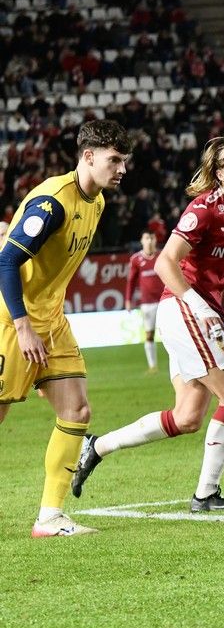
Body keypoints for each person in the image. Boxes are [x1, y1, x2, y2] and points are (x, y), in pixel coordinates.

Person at [73, 137, 224, 511]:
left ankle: (97, 446)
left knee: (188, 416)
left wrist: (223, 307)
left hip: (203, 312)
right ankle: (206, 495)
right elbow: (165, 263)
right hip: (183, 308)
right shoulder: (203, 209)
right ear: (218, 174)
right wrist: (200, 306)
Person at [0, 119, 132, 537]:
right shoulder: (52, 202)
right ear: (88, 157)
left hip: (51, 322)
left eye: (124, 161)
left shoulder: (96, 203)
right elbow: (6, 261)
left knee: (77, 411)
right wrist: (22, 326)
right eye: (114, 160)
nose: (122, 169)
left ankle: (49, 517)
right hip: (10, 319)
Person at [125, 230, 165, 372]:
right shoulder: (136, 259)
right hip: (147, 303)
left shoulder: (162, 256)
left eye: (152, 238)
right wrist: (128, 300)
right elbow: (131, 281)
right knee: (149, 334)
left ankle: (179, 362)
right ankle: (152, 366)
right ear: (142, 241)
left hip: (165, 301)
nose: (149, 241)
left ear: (155, 240)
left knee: (171, 333)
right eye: (147, 238)